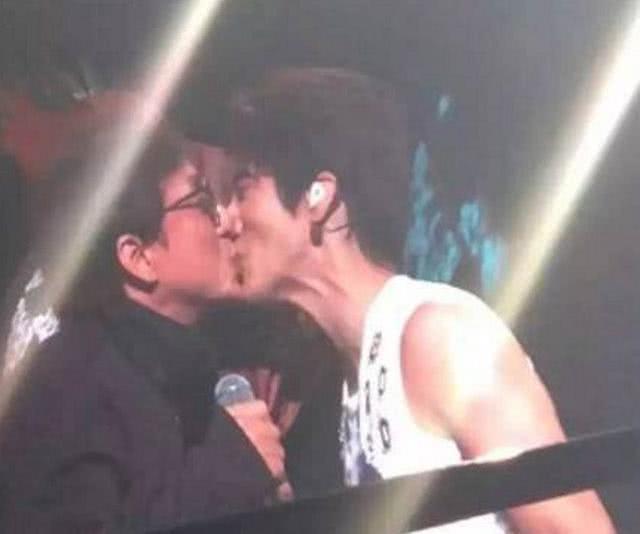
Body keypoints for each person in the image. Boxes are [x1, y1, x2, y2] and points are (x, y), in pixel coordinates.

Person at [224, 67, 616, 532]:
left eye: (243, 188)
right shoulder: (350, 379)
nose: (227, 218)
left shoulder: (441, 336)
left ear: (318, 196)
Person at [0, 119, 287, 532]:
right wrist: (233, 467)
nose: (227, 221)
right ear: (138, 257)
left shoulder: (143, 359)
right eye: (202, 200)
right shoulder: (75, 395)